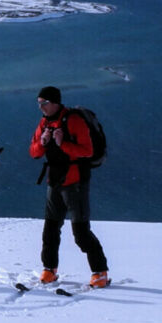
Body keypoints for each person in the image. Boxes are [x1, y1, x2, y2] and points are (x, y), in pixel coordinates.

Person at [29, 86, 110, 289]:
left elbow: (87, 151)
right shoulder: (44, 123)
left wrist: (62, 143)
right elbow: (34, 153)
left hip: (76, 182)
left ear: (55, 102)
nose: (41, 107)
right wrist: (43, 142)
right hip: (54, 181)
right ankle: (49, 270)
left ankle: (100, 272)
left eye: (44, 103)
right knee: (50, 230)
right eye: (39, 103)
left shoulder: (73, 120)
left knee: (81, 233)